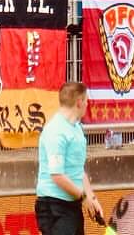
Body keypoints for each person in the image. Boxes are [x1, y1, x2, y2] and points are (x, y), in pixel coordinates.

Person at [34, 81, 104, 235]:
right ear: (79, 102)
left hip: (73, 203)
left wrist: (91, 197)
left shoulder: (76, 128)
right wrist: (84, 197)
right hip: (54, 205)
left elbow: (78, 170)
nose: (87, 104)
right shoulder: (56, 131)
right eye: (86, 100)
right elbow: (57, 176)